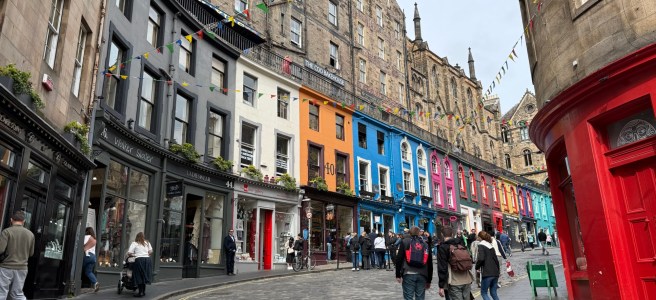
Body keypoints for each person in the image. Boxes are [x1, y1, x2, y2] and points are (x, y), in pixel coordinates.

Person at [0, 211, 35, 300]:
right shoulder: (30, 234)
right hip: (22, 268)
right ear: (23, 221)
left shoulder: (7, 231)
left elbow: (1, 250)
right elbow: (31, 253)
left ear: (11, 220)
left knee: (2, 292)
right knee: (17, 294)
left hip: (6, 266)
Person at [395, 226, 433, 300]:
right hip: (422, 274)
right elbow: (430, 262)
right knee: (420, 297)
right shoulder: (425, 244)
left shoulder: (405, 242)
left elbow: (399, 259)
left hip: (408, 273)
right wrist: (429, 280)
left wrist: (398, 275)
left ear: (409, 232)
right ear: (419, 233)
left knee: (408, 297)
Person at [437, 226, 473, 300]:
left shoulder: (443, 247)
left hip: (453, 281)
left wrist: (441, 286)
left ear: (442, 234)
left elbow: (442, 267)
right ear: (452, 234)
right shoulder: (461, 244)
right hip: (467, 278)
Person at [476, 231, 500, 300]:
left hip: (487, 273)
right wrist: (498, 271)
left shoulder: (481, 245)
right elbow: (496, 260)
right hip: (495, 272)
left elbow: (481, 258)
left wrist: (477, 267)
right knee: (493, 292)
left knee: (484, 293)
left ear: (480, 237)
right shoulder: (490, 245)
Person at [127, 232, 153, 297]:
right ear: (143, 237)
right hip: (148, 260)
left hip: (139, 260)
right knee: (144, 275)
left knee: (139, 276)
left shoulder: (134, 243)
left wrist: (135, 254)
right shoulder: (147, 242)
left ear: (137, 237)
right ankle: (143, 292)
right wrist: (146, 255)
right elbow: (151, 251)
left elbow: (129, 253)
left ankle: (140, 292)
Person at [83, 227, 100, 292]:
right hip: (93, 257)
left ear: (87, 231)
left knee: (79, 268)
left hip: (87, 255)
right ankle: (95, 282)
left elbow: (82, 244)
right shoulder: (94, 239)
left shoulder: (87, 236)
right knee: (88, 272)